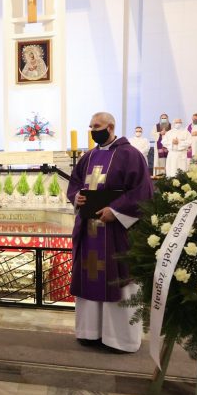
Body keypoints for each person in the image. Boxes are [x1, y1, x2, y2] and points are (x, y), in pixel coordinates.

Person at [67, 112, 153, 353]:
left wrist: (116, 211)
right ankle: (90, 332)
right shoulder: (88, 156)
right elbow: (75, 184)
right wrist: (77, 197)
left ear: (111, 127)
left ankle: (119, 340)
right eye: (91, 126)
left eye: (97, 126)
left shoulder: (130, 154)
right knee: (90, 276)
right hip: (90, 231)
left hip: (116, 233)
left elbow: (143, 191)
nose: (93, 130)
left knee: (119, 279)